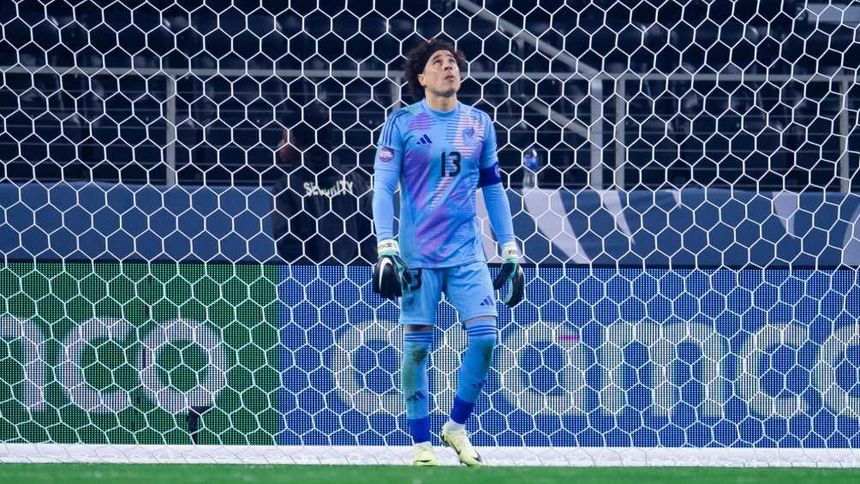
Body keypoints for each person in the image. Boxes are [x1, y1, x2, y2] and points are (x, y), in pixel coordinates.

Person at [371, 38, 524, 467]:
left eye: (452, 61)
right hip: (417, 255)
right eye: (438, 62)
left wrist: (508, 245)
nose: (448, 66)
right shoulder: (402, 123)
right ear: (421, 77)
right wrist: (386, 244)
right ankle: (421, 443)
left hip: (467, 253)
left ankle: (456, 426)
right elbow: (383, 186)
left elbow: (493, 188)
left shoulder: (479, 123)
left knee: (486, 337)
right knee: (417, 349)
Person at [271, 106, 375, 264]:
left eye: (285, 138)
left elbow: (287, 241)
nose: (279, 145)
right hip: (353, 276)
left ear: (299, 140)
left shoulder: (286, 188)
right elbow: (370, 236)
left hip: (307, 277)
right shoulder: (355, 181)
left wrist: (315, 274)